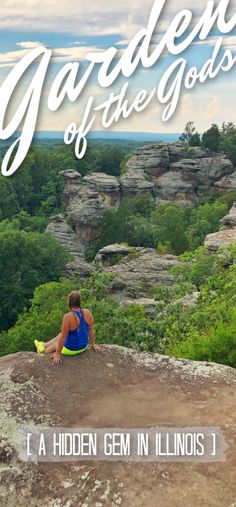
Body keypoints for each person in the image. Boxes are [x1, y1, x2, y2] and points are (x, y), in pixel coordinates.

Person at [34, 290, 102, 364]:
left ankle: (41, 351)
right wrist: (93, 344)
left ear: (69, 302)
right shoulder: (88, 312)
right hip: (83, 347)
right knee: (61, 334)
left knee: (54, 345)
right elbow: (91, 330)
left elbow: (63, 337)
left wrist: (57, 353)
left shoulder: (68, 317)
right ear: (80, 301)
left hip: (71, 349)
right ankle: (43, 344)